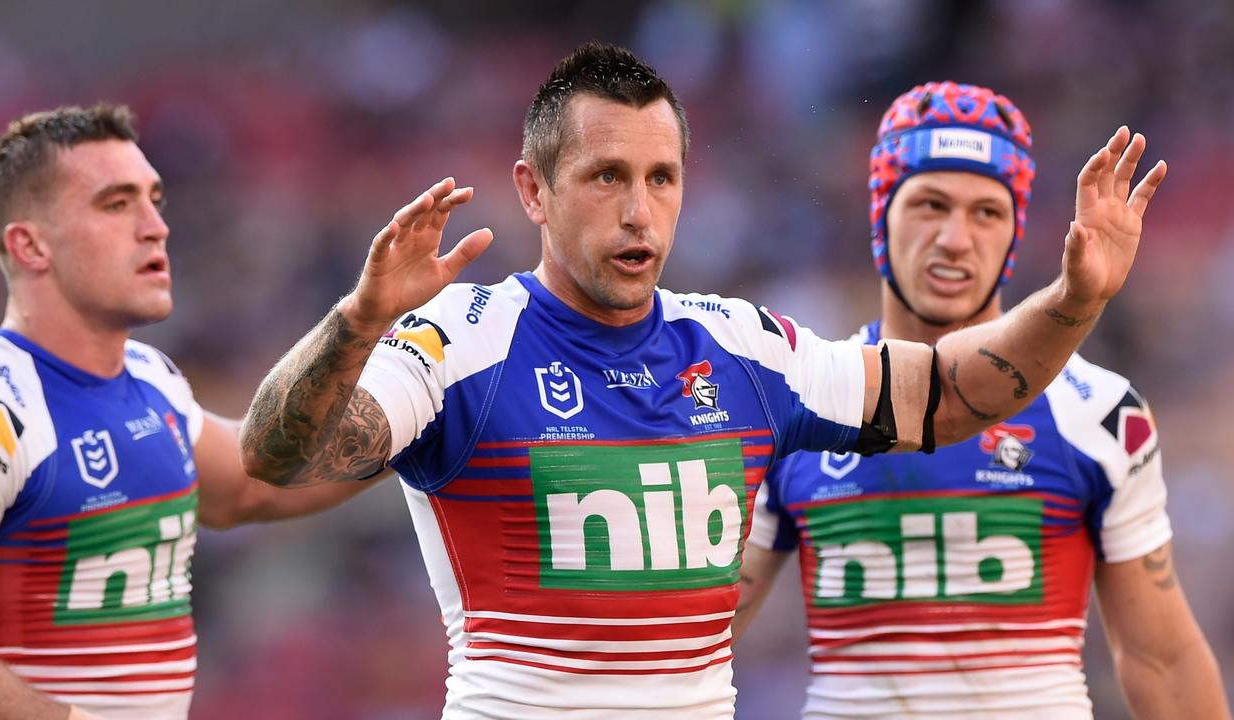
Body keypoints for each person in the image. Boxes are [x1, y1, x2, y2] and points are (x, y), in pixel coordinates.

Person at [238, 44, 1166, 719]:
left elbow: (950, 395)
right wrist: (358, 322)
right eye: (606, 176)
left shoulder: (742, 348)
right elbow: (280, 453)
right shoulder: (460, 340)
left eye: (663, 177)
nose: (640, 210)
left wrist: (1076, 297)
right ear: (533, 189)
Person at [734, 82, 1228, 719]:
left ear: (1016, 231)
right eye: (930, 205)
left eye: (986, 212)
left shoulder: (1100, 411)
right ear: (880, 214)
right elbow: (695, 634)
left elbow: (1162, 659)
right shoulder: (802, 399)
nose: (955, 239)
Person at [0, 104, 378, 720]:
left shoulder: (151, 377)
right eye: (116, 204)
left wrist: (417, 425)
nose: (156, 227)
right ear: (30, 245)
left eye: (154, 200)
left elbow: (250, 486)